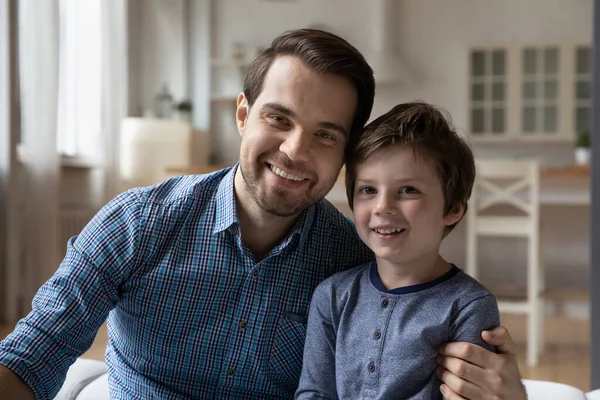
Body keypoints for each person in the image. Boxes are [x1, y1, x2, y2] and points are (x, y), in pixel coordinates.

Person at [0, 29, 526, 400]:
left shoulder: (355, 261)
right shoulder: (138, 223)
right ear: (244, 115)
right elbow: (31, 357)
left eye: (325, 134)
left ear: (345, 154)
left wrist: (503, 391)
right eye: (279, 118)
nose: (296, 150)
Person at [295, 102, 500, 400]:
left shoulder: (469, 306)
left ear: (453, 208)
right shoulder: (331, 297)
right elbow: (313, 392)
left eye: (408, 190)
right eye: (368, 190)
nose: (382, 207)